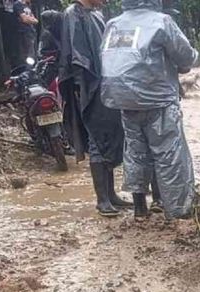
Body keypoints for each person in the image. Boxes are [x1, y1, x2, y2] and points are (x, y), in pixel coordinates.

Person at [100, 0, 197, 220]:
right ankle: (178, 211)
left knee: (135, 152)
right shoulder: (162, 21)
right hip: (158, 99)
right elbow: (186, 57)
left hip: (124, 100)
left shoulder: (113, 24)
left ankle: (140, 209)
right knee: (168, 154)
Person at [59, 0, 127, 217]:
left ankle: (111, 193)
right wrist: (83, 87)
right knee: (97, 139)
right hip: (89, 87)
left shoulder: (96, 14)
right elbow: (77, 57)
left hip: (104, 84)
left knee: (109, 136)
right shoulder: (73, 14)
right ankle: (102, 200)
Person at [12, 0, 37, 66]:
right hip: (23, 33)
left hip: (31, 32)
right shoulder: (18, 4)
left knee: (32, 54)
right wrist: (30, 19)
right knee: (26, 55)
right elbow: (25, 19)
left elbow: (36, 20)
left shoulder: (28, 5)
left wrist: (30, 19)